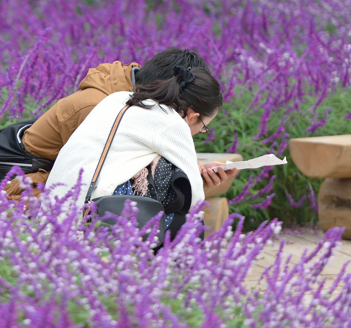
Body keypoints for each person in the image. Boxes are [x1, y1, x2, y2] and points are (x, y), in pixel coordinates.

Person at [18, 47, 235, 199]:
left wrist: (193, 170)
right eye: (203, 127)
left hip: (60, 188)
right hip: (22, 186)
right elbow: (94, 170)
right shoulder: (104, 105)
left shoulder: (129, 98)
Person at [44, 63, 227, 226]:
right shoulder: (172, 123)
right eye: (203, 127)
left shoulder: (117, 99)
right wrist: (198, 180)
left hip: (51, 215)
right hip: (90, 219)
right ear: (193, 116)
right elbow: (195, 200)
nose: (199, 132)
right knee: (190, 223)